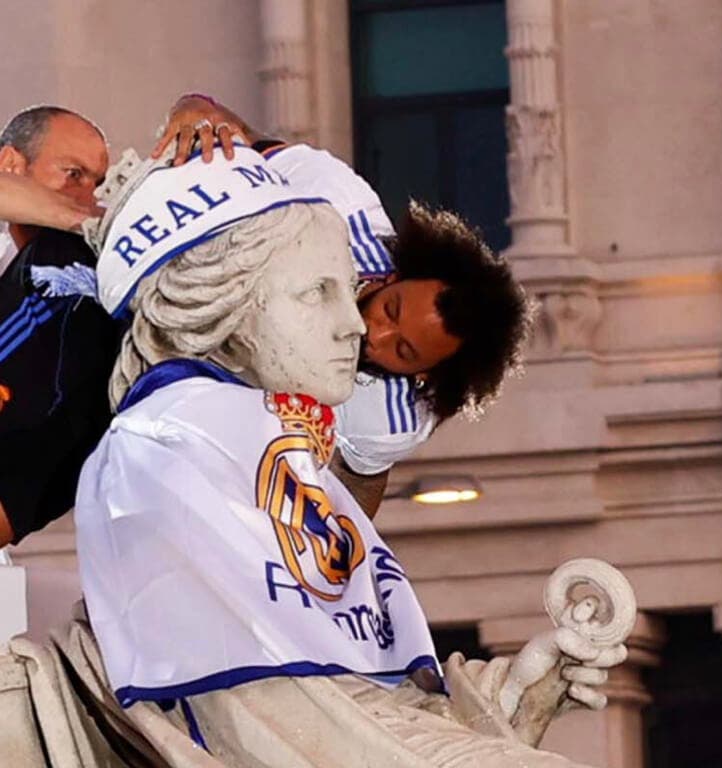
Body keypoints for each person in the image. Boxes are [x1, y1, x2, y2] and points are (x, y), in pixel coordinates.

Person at [24, 143, 621, 768]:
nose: (361, 328)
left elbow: (341, 686)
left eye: (405, 352)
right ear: (232, 302)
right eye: (319, 293)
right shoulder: (169, 446)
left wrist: (507, 702)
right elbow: (273, 716)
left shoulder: (311, 445)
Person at [155, 96, 531, 515]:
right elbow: (238, 134)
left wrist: (338, 561)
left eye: (403, 350)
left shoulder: (391, 421)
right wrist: (195, 113)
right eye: (391, 309)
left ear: (424, 375)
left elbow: (360, 491)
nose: (375, 334)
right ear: (395, 276)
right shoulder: (336, 202)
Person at [0, 106, 117, 547]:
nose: (88, 197)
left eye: (96, 184)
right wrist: (88, 223)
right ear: (12, 165)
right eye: (73, 174)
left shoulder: (74, 277)